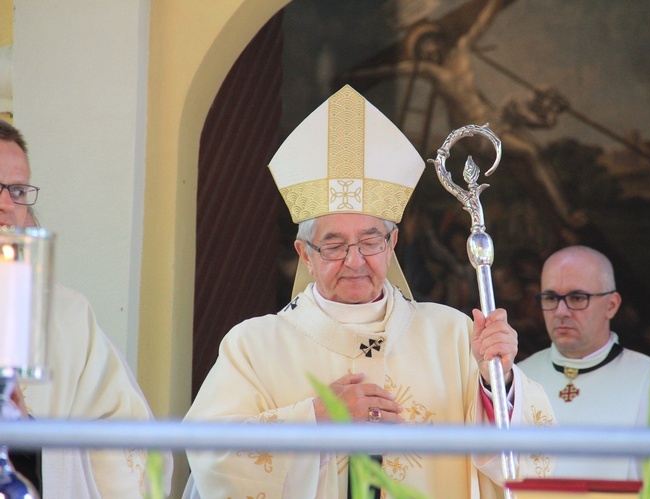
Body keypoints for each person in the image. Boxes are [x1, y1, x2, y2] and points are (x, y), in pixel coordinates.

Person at [184, 85, 557, 498]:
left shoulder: (453, 335)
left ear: (393, 244)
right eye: (334, 245)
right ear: (304, 255)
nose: (356, 260)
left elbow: (522, 463)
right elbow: (210, 457)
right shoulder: (254, 345)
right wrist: (315, 419)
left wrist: (499, 380)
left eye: (370, 241)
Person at [0, 119, 173, 497]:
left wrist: (28, 433)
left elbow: (133, 445)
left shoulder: (66, 315)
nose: (6, 205)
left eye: (17, 190)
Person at [517, 245, 650, 481]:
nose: (560, 311)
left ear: (611, 305)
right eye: (550, 298)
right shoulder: (519, 380)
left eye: (577, 298)